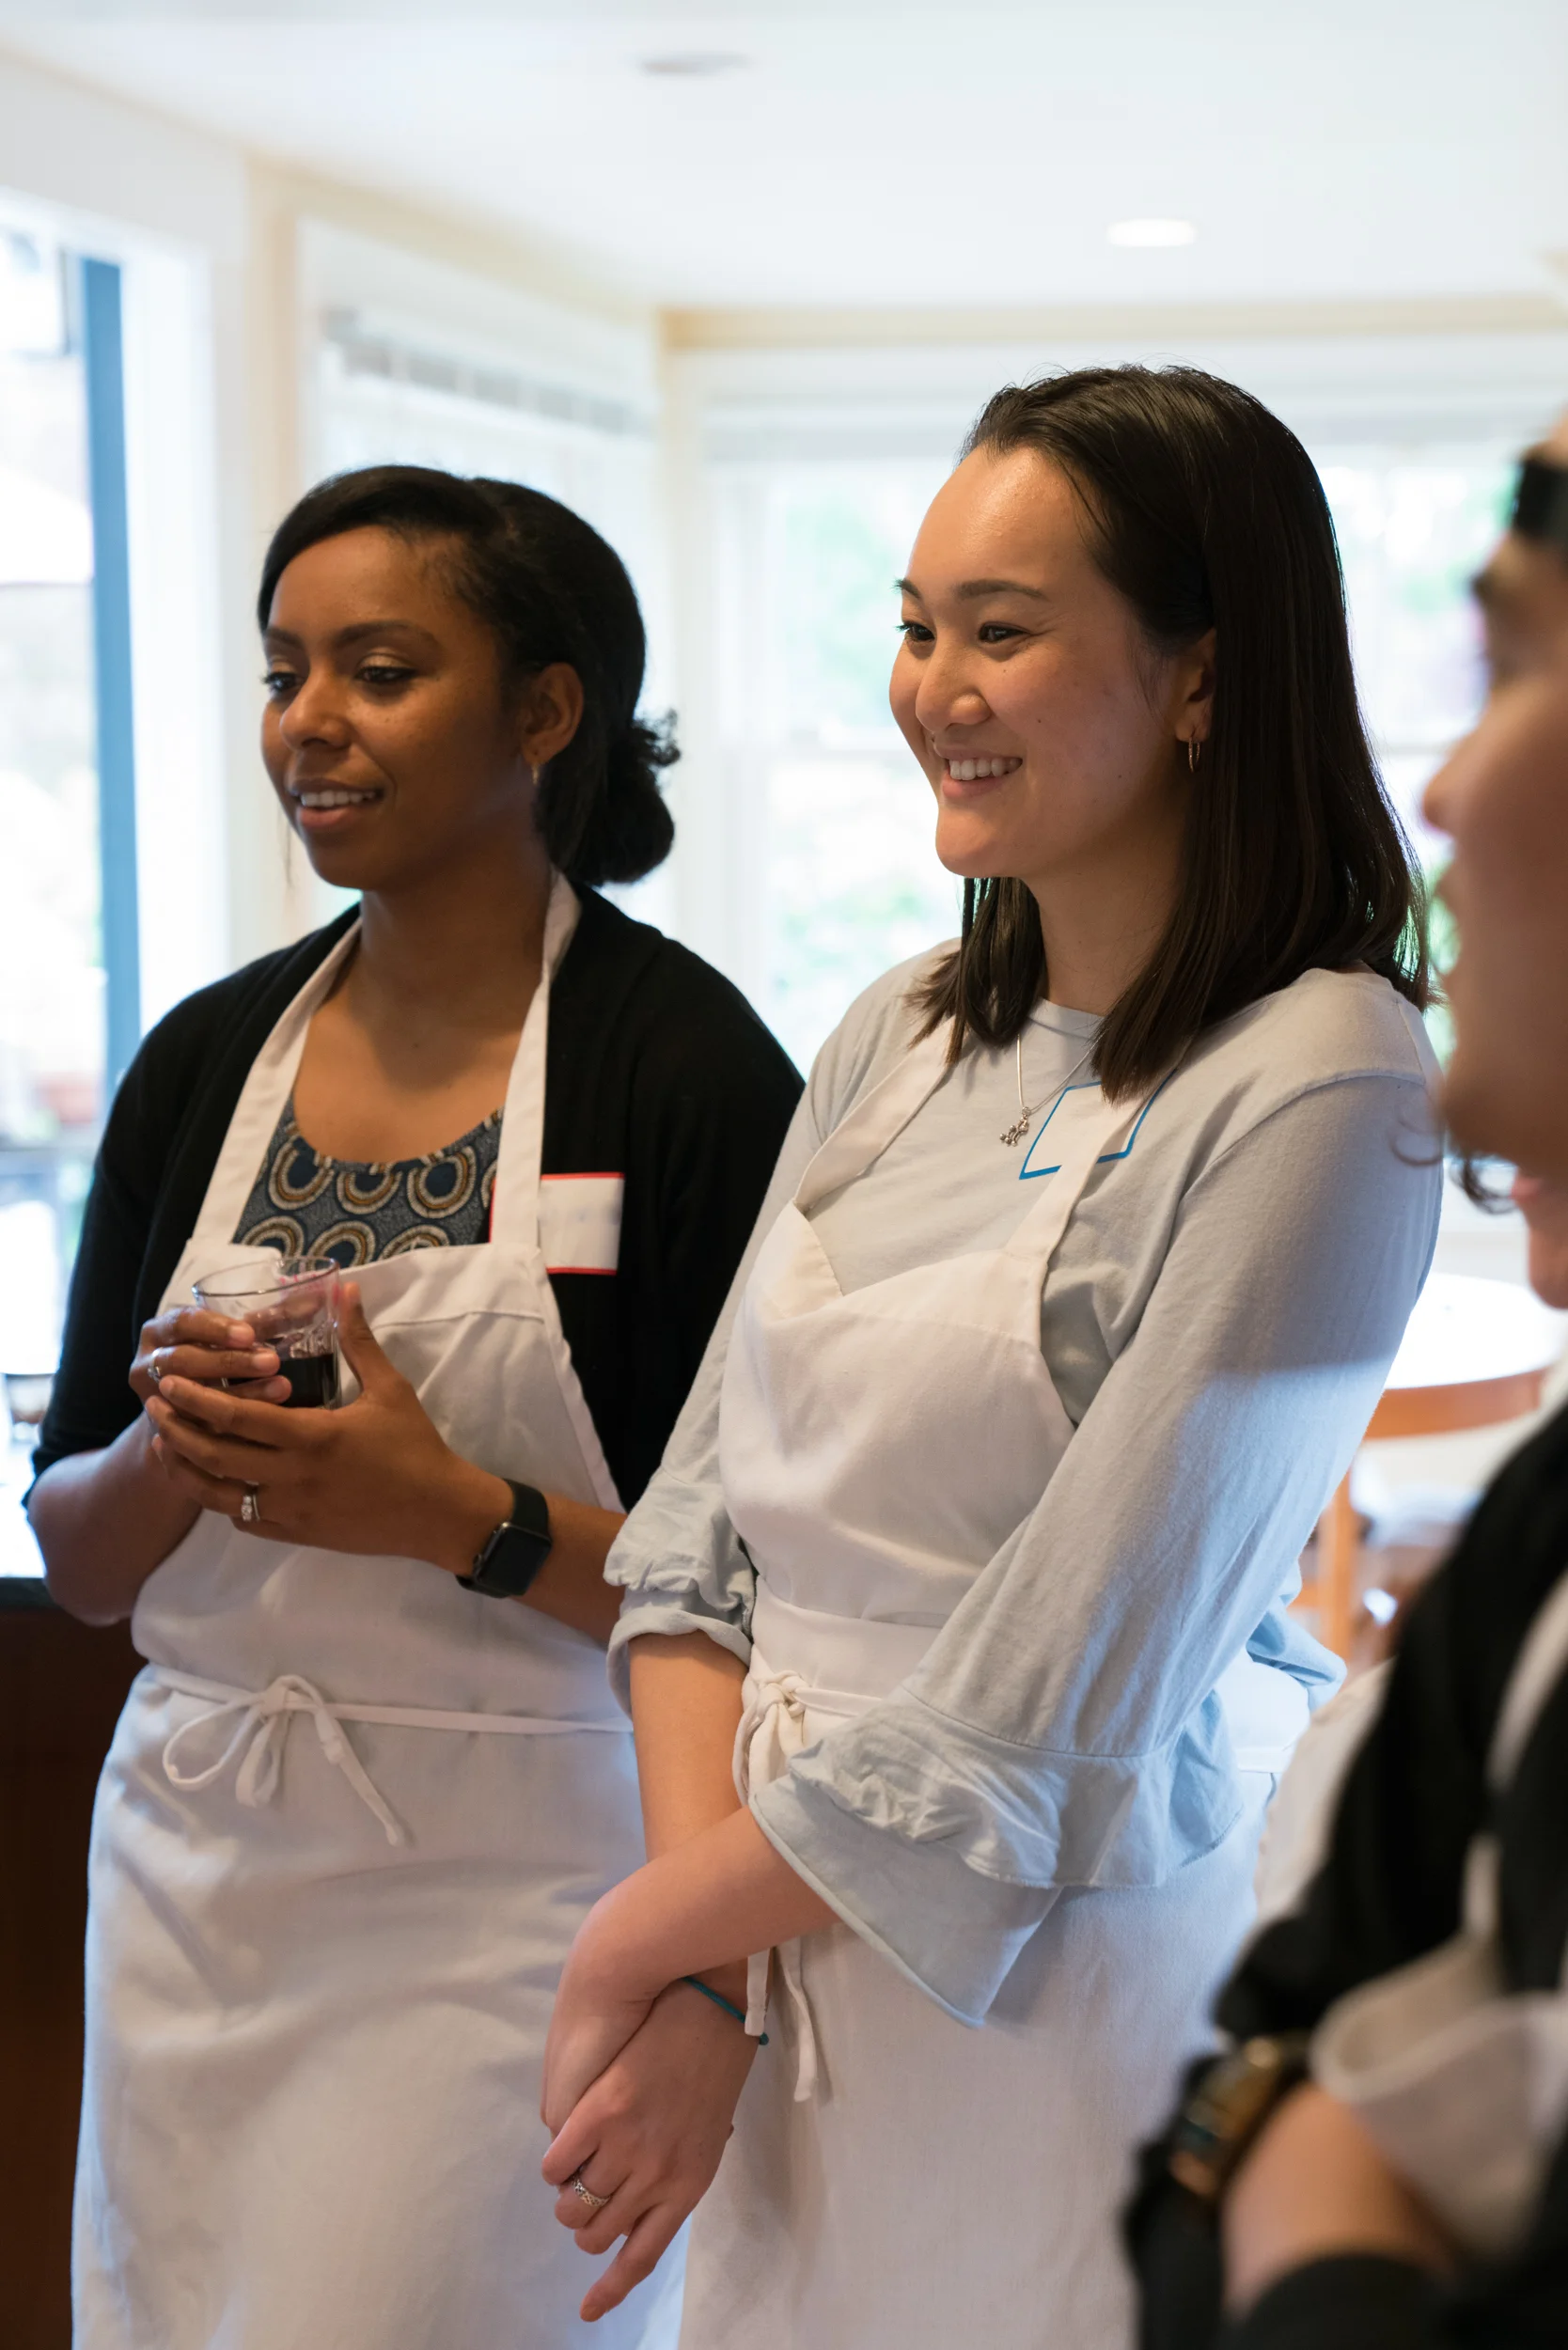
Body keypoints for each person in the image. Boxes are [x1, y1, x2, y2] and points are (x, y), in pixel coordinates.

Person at [535, 366, 1443, 2349]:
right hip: (773, 1950)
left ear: (1203, 673)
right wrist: (704, 1978)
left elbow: (1047, 1700)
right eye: (917, 624)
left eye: (1005, 630)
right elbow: (694, 1540)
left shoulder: (1323, 1079)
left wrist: (641, 1934)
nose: (936, 681)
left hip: (1050, 1998)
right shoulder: (904, 1023)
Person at [26, 466, 801, 2350]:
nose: (311, 718)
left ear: (543, 712)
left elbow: (778, 1605)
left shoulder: (683, 1071)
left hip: (523, 1879)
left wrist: (451, 1507)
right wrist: (173, 1449)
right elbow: (75, 1551)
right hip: (199, 1865)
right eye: (287, 666)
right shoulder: (208, 1058)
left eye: (380, 668)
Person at [1127, 423, 1568, 2348]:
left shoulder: (1325, 1062)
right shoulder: (1549, 1517)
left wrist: (1322, 2186)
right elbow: (1235, 2094)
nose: (1455, 777)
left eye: (1529, 667)